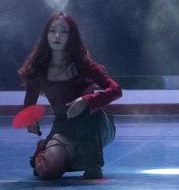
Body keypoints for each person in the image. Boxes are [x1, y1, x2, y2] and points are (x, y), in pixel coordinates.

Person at [17, 11, 121, 180]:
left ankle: (92, 163)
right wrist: (30, 120)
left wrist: (86, 100)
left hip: (94, 125)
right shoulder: (38, 69)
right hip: (63, 126)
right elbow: (29, 104)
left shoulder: (84, 65)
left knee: (86, 113)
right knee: (46, 171)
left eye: (64, 31)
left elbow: (116, 90)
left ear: (71, 37)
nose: (57, 36)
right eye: (53, 31)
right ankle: (45, 146)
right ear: (46, 35)